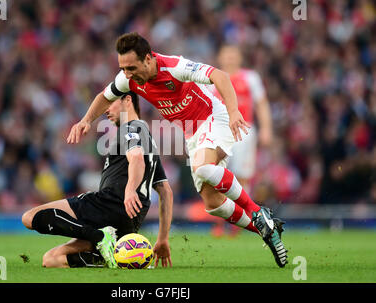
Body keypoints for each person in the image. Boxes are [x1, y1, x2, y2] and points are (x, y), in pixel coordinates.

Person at [66, 32, 287, 267]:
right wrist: (86, 120)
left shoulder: (174, 67)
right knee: (213, 204)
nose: (127, 74)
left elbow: (219, 76)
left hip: (214, 117)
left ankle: (257, 212)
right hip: (193, 133)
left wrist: (234, 112)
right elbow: (104, 96)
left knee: (203, 168)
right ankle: (266, 229)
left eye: (131, 67)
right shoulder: (127, 79)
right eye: (123, 68)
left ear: (148, 59)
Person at [22, 91, 173, 269]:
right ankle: (116, 256)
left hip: (110, 204)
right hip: (129, 222)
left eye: (110, 103)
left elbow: (137, 158)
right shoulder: (148, 139)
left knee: (29, 217)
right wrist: (162, 239)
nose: (105, 110)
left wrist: (130, 189)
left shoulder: (132, 127)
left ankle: (100, 237)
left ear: (128, 100)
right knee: (52, 259)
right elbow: (166, 192)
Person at [208, 45, 274, 238]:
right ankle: (220, 222)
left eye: (233, 55)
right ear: (220, 57)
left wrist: (266, 128)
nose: (229, 59)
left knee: (242, 177)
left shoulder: (250, 77)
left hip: (245, 132)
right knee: (217, 176)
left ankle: (239, 223)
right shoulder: (212, 79)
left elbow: (261, 103)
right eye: (226, 55)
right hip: (221, 133)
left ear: (239, 57)